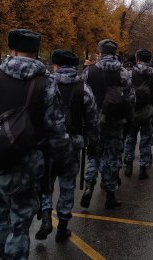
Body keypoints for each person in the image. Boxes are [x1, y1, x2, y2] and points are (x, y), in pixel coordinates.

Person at [0, 29, 71, 259]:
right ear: (36, 52)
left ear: (11, 49)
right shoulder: (47, 83)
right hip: (30, 164)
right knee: (20, 226)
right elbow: (56, 131)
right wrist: (60, 160)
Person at [36, 49, 100, 242]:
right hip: (73, 143)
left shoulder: (45, 85)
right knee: (67, 184)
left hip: (48, 143)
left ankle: (46, 217)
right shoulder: (84, 88)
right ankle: (62, 226)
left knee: (46, 181)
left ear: (55, 65)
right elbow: (93, 120)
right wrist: (93, 143)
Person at [80, 39, 135, 209]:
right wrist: (127, 117)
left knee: (93, 154)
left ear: (100, 51)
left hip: (95, 120)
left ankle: (89, 185)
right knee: (111, 157)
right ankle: (110, 195)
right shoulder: (123, 72)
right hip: (115, 121)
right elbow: (131, 98)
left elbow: (82, 96)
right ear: (114, 52)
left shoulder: (89, 71)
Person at [123, 49, 153, 179]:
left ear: (137, 58)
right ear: (149, 59)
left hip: (132, 112)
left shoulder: (129, 73)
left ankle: (128, 164)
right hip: (147, 112)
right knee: (146, 140)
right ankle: (143, 168)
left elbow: (124, 94)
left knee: (130, 138)